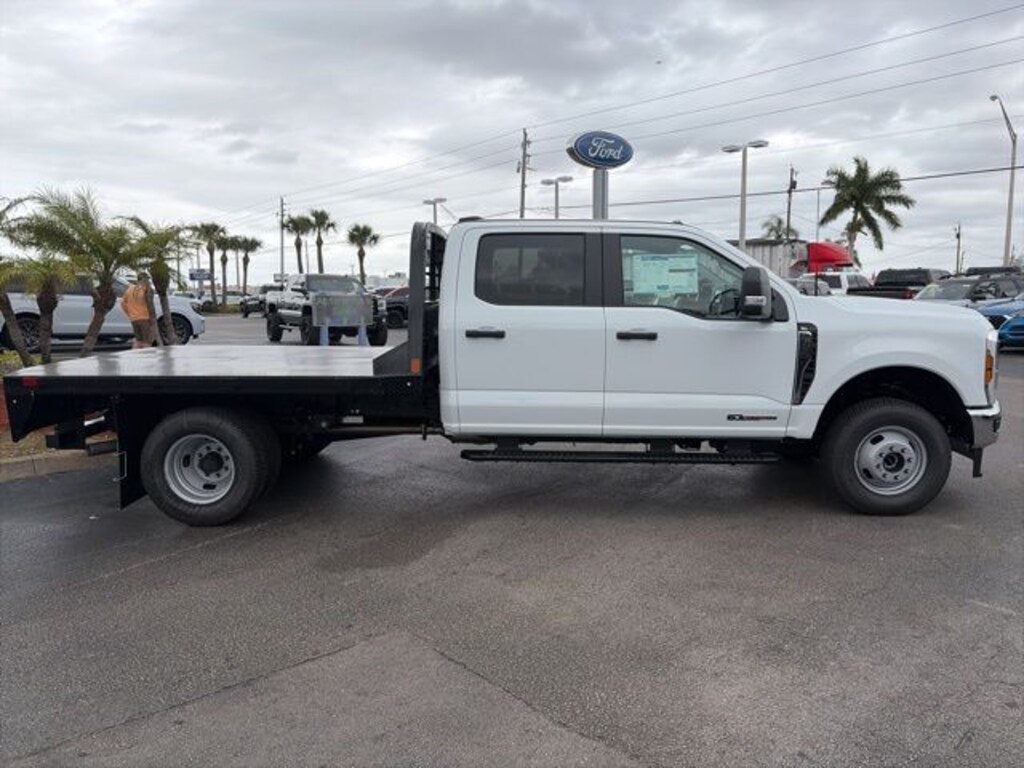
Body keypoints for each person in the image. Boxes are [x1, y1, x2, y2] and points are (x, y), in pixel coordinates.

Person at [121, 272, 155, 349]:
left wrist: (129, 313)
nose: (148, 281)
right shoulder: (145, 289)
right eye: (147, 279)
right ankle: (146, 354)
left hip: (134, 319)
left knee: (139, 340)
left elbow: (123, 303)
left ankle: (136, 354)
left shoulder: (130, 289)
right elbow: (149, 302)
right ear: (144, 279)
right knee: (147, 341)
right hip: (144, 318)